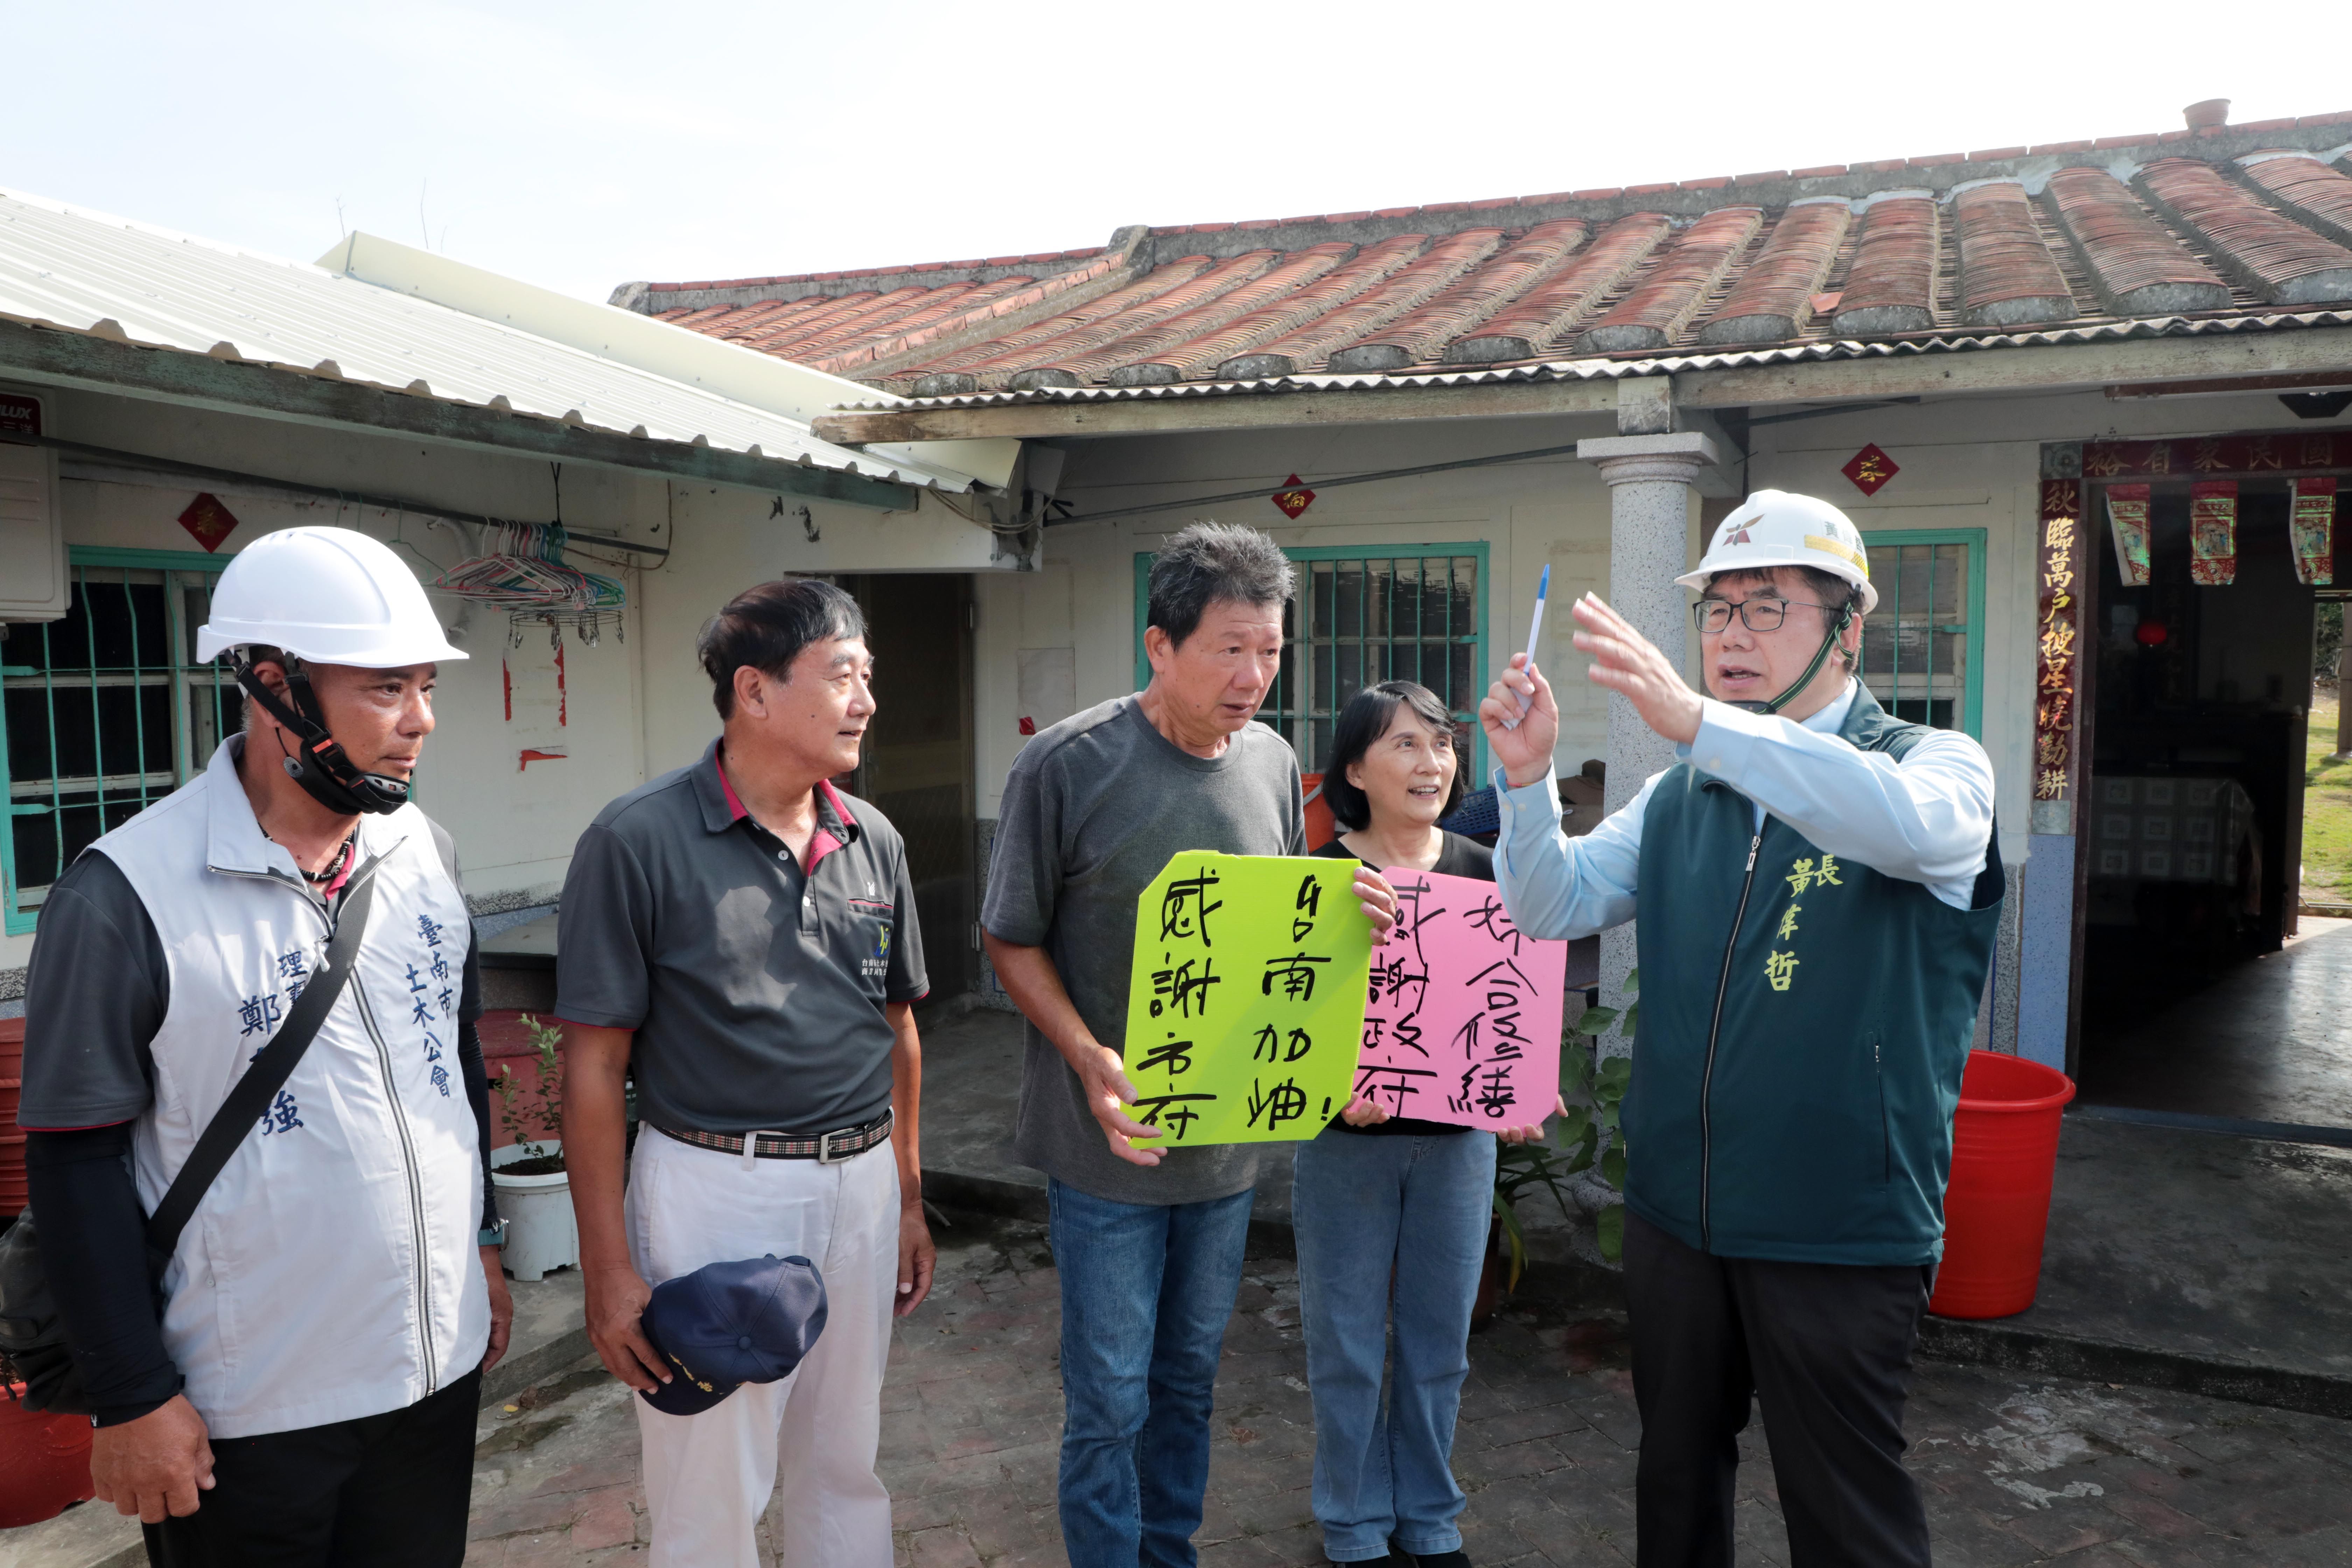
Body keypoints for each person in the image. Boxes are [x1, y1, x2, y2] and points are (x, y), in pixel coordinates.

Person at [1478, 490, 2003, 1568]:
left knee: (1845, 1507)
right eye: (1717, 611)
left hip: (1838, 1220)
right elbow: (1550, 908)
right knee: (1673, 1483)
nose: (1730, 637)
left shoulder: (1940, 767)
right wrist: (1526, 785)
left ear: (1848, 625)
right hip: (1680, 1212)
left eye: (1767, 607)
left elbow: (1901, 828)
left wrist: (1701, 726)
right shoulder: (1683, 793)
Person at [18, 526, 511, 1567]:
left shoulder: (425, 852)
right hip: (246, 1409)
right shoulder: (126, 896)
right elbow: (77, 1161)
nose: (420, 721)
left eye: (426, 686)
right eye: (385, 689)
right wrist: (131, 1396)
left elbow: (451, 1070)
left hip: (431, 1379)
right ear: (276, 686)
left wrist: (483, 1248)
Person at [982, 522, 1397, 1568]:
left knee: (1187, 1382)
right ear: (1159, 647)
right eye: (1228, 649)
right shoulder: (1067, 765)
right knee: (1110, 1397)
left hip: (1225, 1149)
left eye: (1270, 650)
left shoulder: (1272, 761)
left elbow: (1279, 930)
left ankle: (1170, 1551)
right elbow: (1009, 937)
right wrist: (1086, 1056)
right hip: (1108, 1151)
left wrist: (1357, 915)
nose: (1254, 676)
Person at [556, 578, 934, 1568]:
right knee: (710, 1480)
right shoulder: (636, 840)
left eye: (868, 677)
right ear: (754, 693)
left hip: (860, 1184)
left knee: (846, 1460)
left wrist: (906, 1193)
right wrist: (607, 1268)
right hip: (717, 1191)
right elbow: (594, 1067)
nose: (867, 701)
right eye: (843, 676)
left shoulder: (872, 838)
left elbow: (898, 1028)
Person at [1297, 681, 1553, 1568]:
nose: (1431, 762)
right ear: (1357, 768)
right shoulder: (1319, 879)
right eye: (1403, 744)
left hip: (1457, 1149)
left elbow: (1512, 1004)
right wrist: (1333, 1081)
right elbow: (1281, 1031)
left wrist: (1519, 1088)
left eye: (1440, 744)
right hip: (1345, 1149)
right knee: (1346, 1343)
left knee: (1441, 1340)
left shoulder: (1487, 870)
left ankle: (1430, 1516)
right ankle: (1355, 1522)